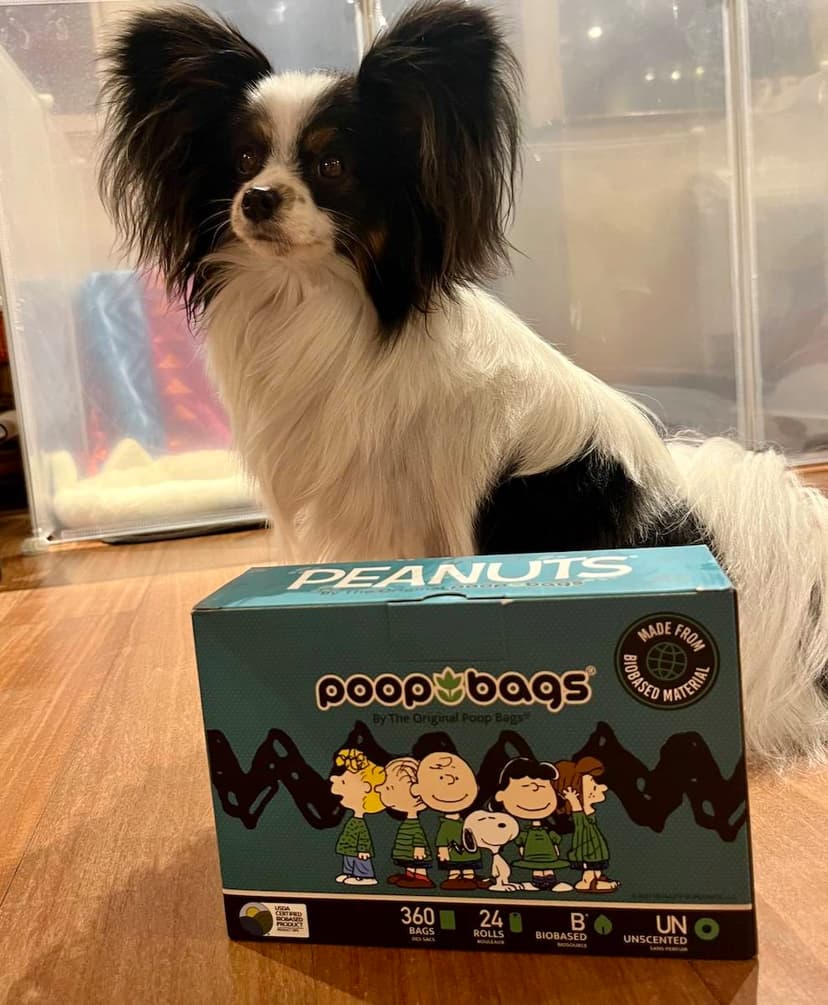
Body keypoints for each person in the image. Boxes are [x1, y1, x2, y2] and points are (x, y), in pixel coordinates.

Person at [492, 756, 572, 892]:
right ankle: (537, 883)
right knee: (536, 868)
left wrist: (555, 847)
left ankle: (551, 882)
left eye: (542, 787)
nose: (535, 793)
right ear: (501, 795)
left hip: (550, 856)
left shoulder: (548, 831)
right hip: (531, 856)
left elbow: (555, 839)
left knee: (548, 868)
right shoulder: (521, 832)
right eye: (524, 787)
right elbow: (520, 842)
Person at [554, 756, 620, 893]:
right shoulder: (580, 816)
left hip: (595, 851)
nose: (603, 787)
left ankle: (598, 879)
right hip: (587, 852)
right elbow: (579, 818)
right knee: (590, 870)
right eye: (594, 785)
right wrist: (573, 801)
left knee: (596, 869)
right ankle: (587, 882)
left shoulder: (589, 813)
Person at [329, 748, 386, 886]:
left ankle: (365, 876)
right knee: (349, 858)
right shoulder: (354, 820)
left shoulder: (359, 823)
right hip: (348, 848)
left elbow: (363, 836)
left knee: (359, 860)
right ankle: (349, 873)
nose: (333, 780)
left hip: (357, 850)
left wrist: (363, 850)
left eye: (344, 782)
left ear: (366, 788)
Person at [376, 757, 434, 888]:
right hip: (408, 852)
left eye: (390, 787)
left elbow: (418, 836)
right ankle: (409, 875)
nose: (380, 789)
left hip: (416, 853)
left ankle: (421, 878)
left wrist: (419, 847)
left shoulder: (414, 825)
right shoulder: (408, 823)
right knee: (410, 863)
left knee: (417, 864)